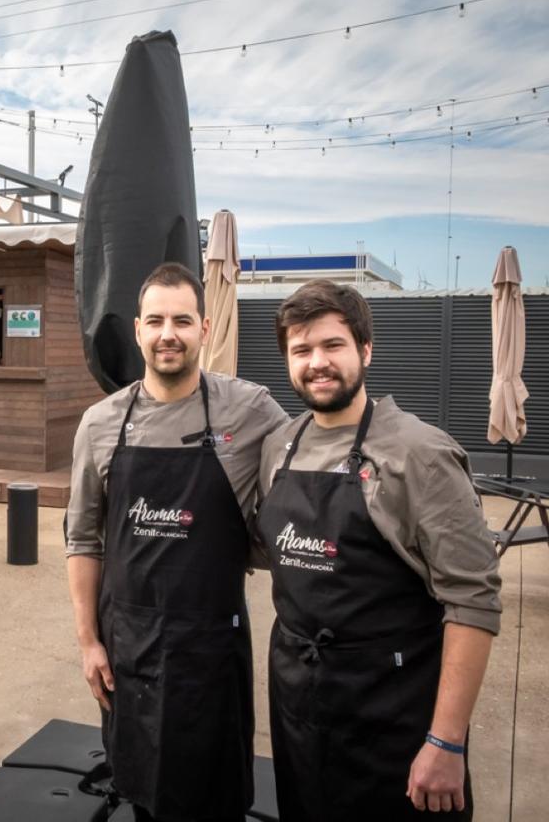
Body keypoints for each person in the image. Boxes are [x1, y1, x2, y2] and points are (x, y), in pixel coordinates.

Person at [255, 280, 501, 820]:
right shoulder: (279, 447)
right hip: (299, 702)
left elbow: (473, 601)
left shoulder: (420, 454)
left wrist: (447, 742)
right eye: (301, 350)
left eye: (332, 345)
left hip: (392, 714)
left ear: (365, 350)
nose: (317, 363)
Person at [66, 262, 289, 821]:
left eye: (183, 321)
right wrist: (89, 641)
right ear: (139, 329)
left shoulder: (252, 409)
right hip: (128, 647)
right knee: (142, 791)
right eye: (157, 320)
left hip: (212, 648)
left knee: (216, 797)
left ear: (205, 329)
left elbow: (309, 474)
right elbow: (83, 538)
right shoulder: (100, 423)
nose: (170, 333)